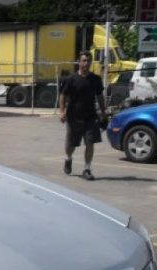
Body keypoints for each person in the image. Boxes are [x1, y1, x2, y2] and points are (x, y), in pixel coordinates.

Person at [59, 50, 107, 181]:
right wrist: (62, 112)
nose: (86, 63)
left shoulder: (95, 79)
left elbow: (100, 97)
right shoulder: (71, 79)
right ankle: (68, 159)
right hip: (74, 118)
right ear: (79, 62)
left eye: (89, 61)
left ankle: (87, 169)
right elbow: (63, 95)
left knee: (90, 143)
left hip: (90, 117)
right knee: (71, 145)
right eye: (84, 60)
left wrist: (103, 113)